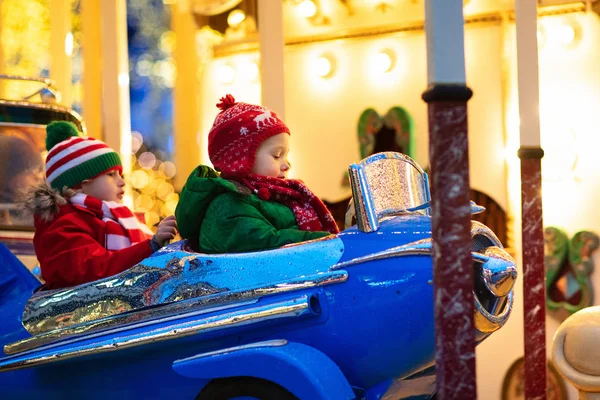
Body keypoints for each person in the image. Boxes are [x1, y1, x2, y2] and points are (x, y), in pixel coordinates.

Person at [176, 94, 339, 254]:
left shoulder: (271, 196)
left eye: (286, 155)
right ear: (241, 158)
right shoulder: (229, 204)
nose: (286, 165)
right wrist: (327, 240)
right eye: (276, 155)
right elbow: (267, 245)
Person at [25, 121, 178, 289]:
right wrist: (151, 246)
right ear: (81, 184)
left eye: (120, 174)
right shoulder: (62, 226)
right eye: (111, 175)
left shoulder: (113, 218)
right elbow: (93, 269)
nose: (122, 182)